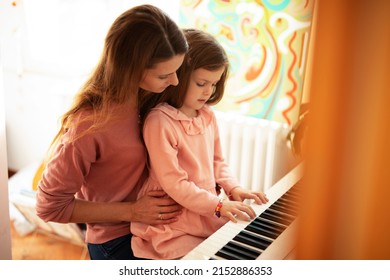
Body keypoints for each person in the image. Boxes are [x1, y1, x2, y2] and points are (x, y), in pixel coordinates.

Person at [35, 4, 188, 260]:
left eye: (177, 70)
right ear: (131, 69)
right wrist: (132, 211)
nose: (175, 82)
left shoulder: (148, 99)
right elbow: (49, 207)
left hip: (156, 230)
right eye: (165, 75)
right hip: (117, 241)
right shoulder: (88, 126)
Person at [131, 29, 269, 260]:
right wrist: (216, 206)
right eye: (201, 83)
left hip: (204, 209)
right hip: (173, 220)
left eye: (214, 84)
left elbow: (217, 162)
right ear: (180, 76)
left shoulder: (206, 115)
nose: (208, 91)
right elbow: (174, 183)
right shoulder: (159, 121)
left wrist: (234, 188)